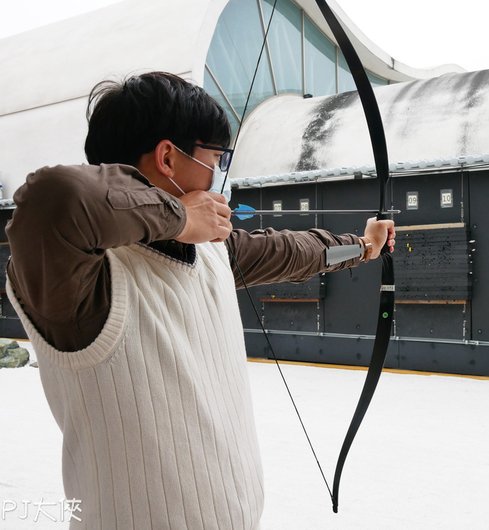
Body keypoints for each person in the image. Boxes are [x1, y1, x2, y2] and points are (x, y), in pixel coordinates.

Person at [5, 71, 395, 529]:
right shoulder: (80, 277)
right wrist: (179, 216)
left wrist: (363, 247)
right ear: (168, 158)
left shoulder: (213, 253)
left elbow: (296, 249)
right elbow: (55, 197)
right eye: (214, 159)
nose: (219, 176)